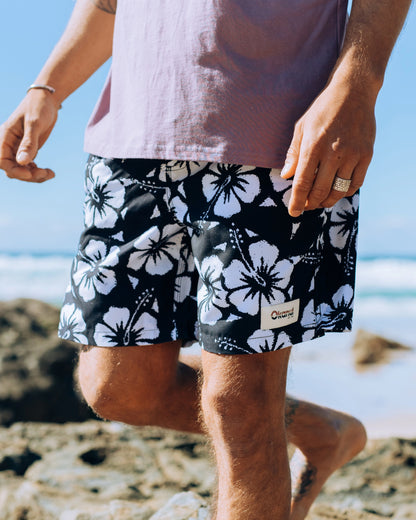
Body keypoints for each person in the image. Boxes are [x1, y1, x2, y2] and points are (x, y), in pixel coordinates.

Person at [0, 1, 411, 519]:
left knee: (240, 404)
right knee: (114, 388)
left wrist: (357, 86)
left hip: (277, 145)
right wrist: (47, 87)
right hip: (128, 150)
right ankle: (317, 431)